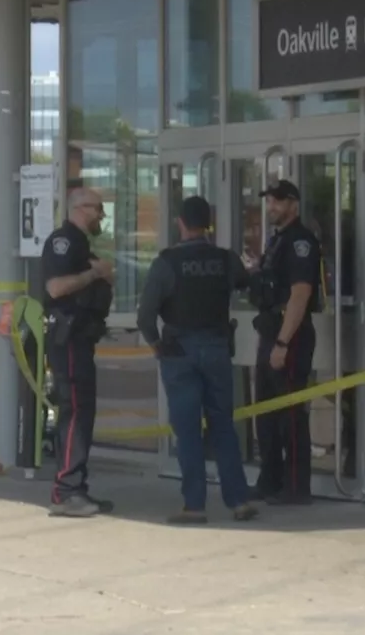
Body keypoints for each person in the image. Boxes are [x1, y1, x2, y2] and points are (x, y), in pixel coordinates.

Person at [137, 196, 258, 524]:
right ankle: (239, 501)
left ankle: (194, 505)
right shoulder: (225, 259)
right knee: (223, 427)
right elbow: (248, 282)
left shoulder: (166, 263)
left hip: (179, 353)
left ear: (180, 223)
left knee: (187, 431)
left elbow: (145, 316)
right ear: (208, 224)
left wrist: (157, 345)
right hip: (218, 348)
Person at [245, 179, 321, 506]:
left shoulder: (301, 242)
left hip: (289, 335)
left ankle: (295, 486)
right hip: (270, 332)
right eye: (269, 201)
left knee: (290, 415)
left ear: (293, 203)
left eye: (277, 201)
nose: (271, 207)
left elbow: (300, 293)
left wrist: (283, 342)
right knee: (266, 413)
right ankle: (270, 480)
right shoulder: (278, 241)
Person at [41, 187, 115, 517]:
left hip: (81, 338)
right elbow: (56, 287)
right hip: (68, 337)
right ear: (81, 209)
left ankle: (76, 486)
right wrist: (94, 274)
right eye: (98, 208)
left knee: (83, 413)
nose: (102, 215)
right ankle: (66, 490)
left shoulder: (81, 244)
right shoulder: (64, 241)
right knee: (74, 411)